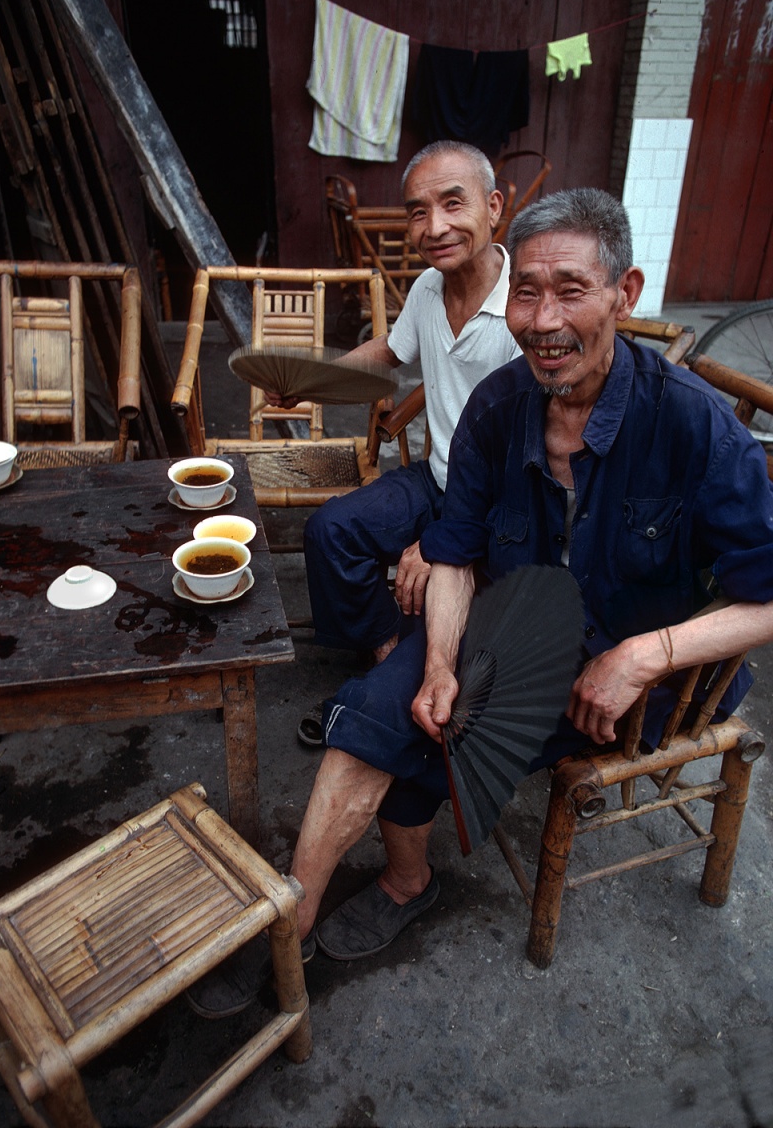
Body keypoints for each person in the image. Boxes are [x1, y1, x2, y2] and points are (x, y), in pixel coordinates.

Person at [188, 188, 773, 1018]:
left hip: (635, 681)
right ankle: (299, 914)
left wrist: (645, 655)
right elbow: (457, 556)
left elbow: (768, 598)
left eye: (571, 290)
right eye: (527, 292)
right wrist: (434, 664)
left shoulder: (694, 428)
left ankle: (401, 876)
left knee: (425, 748)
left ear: (625, 293)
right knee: (384, 712)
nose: (542, 319)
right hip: (511, 629)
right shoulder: (499, 408)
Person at [268, 142, 521, 744]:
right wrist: (312, 382)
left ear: (493, 206)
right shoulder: (432, 289)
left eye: (452, 204)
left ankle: (416, 671)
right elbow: (389, 351)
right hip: (437, 476)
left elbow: (529, 461)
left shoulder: (524, 309)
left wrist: (439, 542)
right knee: (331, 530)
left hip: (499, 502)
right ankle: (386, 651)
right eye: (417, 211)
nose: (434, 227)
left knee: (439, 570)